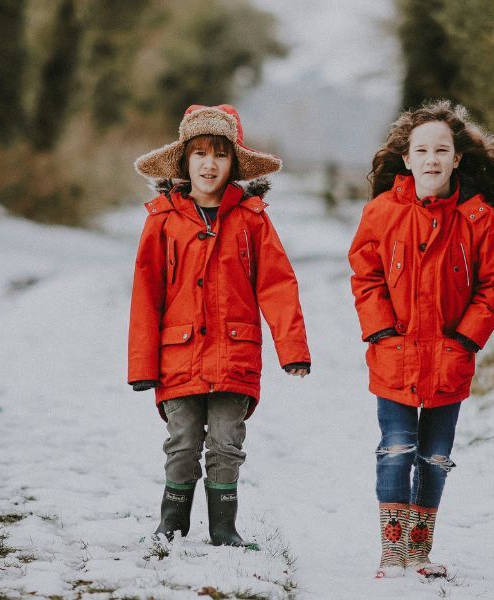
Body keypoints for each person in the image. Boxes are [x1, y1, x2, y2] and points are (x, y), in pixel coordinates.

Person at [129, 104, 311, 549]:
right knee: (183, 442)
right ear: (184, 162)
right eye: (200, 154)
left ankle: (224, 528)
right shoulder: (162, 220)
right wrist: (141, 365)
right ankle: (171, 522)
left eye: (220, 155)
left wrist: (294, 351)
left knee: (228, 443)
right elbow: (145, 294)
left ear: (234, 164)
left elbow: (278, 285)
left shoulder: (252, 220)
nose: (209, 164)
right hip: (178, 355)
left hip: (235, 354)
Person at [348, 100, 494, 578]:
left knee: (435, 458)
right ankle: (392, 552)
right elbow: (365, 274)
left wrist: (465, 339)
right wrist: (381, 330)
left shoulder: (477, 218)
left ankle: (420, 552)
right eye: (421, 150)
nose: (431, 159)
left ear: (457, 158)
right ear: (406, 158)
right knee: (396, 449)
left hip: (449, 359)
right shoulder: (381, 213)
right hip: (393, 356)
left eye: (441, 149)